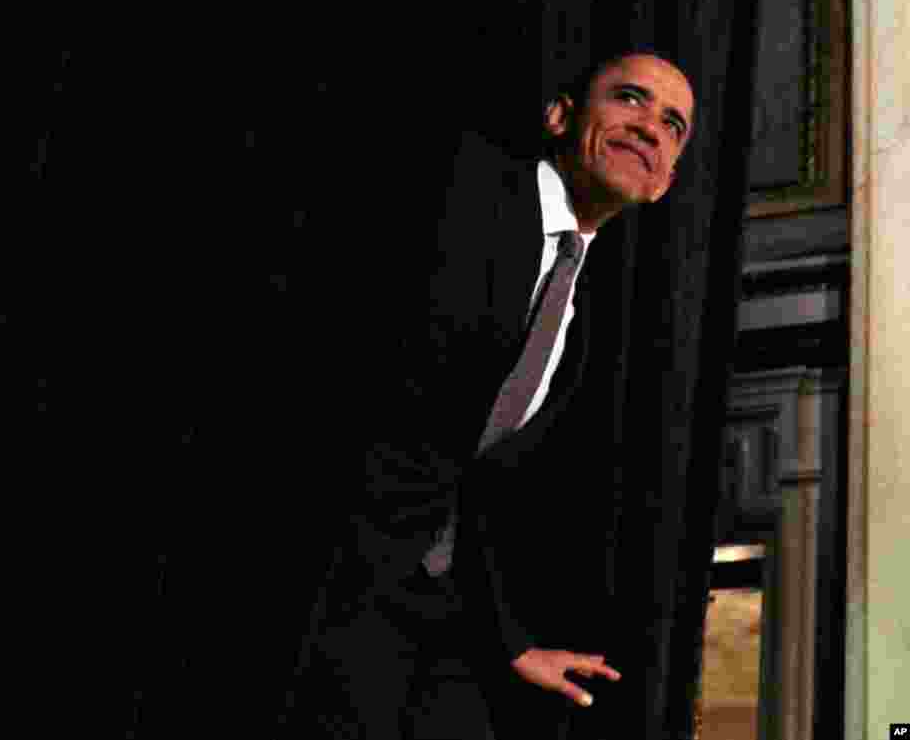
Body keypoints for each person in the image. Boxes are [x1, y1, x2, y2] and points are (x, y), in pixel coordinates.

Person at [283, 51, 696, 740]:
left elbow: (466, 478)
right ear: (561, 116)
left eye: (672, 123)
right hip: (329, 587)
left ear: (666, 181)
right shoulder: (457, 186)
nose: (649, 127)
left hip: (429, 613)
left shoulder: (581, 316)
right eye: (629, 99)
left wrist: (510, 642)